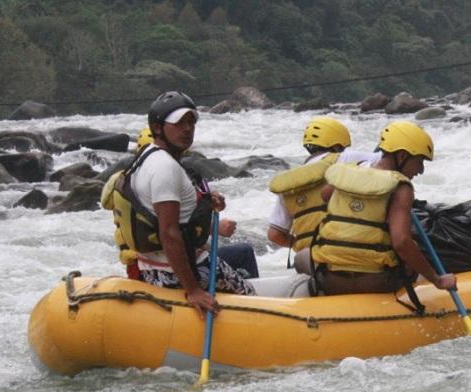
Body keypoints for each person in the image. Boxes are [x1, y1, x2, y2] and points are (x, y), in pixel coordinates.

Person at [110, 91, 255, 316]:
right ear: (158, 128)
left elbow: (169, 209)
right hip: (184, 271)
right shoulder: (165, 168)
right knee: (253, 299)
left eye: (191, 122)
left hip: (153, 268)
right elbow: (169, 233)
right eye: (178, 123)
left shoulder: (146, 156)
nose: (187, 129)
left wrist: (206, 202)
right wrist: (194, 290)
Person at [310, 120, 456, 297]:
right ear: (402, 156)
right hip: (376, 282)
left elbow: (325, 196)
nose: (421, 170)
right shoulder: (401, 187)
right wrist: (437, 280)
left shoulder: (349, 172)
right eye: (419, 162)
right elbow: (401, 243)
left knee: (306, 257)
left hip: (330, 279)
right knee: (413, 246)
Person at [104, 126, 259, 280]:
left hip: (141, 268)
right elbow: (170, 231)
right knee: (243, 252)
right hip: (171, 268)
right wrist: (214, 228)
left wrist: (210, 202)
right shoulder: (164, 179)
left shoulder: (126, 182)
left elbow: (163, 222)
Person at [266, 117, 380, 274]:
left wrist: (301, 245)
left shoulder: (290, 183)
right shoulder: (344, 158)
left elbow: (275, 234)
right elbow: (385, 159)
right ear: (337, 146)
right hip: (346, 256)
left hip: (310, 261)